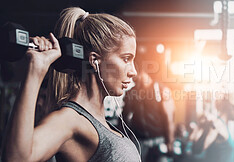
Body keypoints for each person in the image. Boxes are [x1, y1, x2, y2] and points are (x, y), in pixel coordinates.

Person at [3, 7, 140, 162]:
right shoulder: (70, 120)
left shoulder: (102, 123)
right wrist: (36, 69)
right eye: (126, 59)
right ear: (94, 60)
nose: (133, 71)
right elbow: (16, 158)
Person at [123, 70, 175, 162]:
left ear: (144, 73)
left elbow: (169, 117)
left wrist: (170, 142)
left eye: (138, 73)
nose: (135, 76)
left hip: (158, 140)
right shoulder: (131, 92)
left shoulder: (161, 90)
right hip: (139, 142)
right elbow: (124, 118)